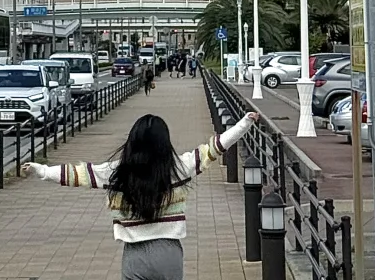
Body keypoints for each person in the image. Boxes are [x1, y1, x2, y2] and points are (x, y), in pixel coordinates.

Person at [23, 108, 260, 280]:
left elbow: (77, 174)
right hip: (169, 251)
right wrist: (244, 123)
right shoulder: (178, 168)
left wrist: (42, 170)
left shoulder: (117, 172)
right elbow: (216, 147)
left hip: (134, 254)